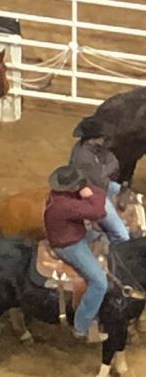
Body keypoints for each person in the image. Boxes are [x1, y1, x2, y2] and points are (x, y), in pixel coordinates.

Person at [44, 165, 108, 342]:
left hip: (73, 235)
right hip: (69, 245)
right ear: (71, 187)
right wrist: (90, 194)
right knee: (99, 282)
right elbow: (99, 212)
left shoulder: (59, 196)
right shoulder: (65, 205)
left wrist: (88, 192)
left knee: (104, 239)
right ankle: (82, 326)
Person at [70, 116, 129, 243]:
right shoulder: (84, 157)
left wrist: (107, 166)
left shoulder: (92, 148)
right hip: (93, 194)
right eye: (103, 136)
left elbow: (111, 160)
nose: (105, 139)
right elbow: (101, 178)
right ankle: (112, 251)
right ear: (94, 138)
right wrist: (109, 166)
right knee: (122, 235)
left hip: (99, 187)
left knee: (127, 193)